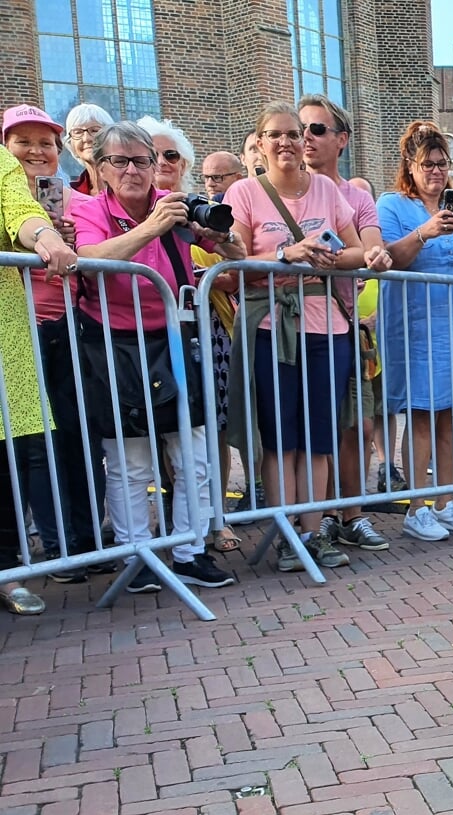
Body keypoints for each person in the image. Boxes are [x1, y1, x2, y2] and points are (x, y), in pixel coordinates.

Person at [71, 120, 245, 593]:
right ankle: (138, 556)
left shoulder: (173, 208)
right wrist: (153, 226)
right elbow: (91, 258)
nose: (133, 170)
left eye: (143, 160)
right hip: (115, 345)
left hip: (174, 341)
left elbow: (238, 250)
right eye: (120, 161)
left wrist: (212, 230)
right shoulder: (90, 208)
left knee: (194, 456)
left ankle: (189, 552)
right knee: (131, 463)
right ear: (101, 168)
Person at [224, 102, 384, 570]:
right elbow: (235, 263)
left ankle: (312, 534)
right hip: (272, 327)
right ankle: (287, 535)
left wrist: (337, 260)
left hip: (329, 326)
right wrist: (287, 254)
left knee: (319, 437)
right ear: (259, 142)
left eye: (294, 134)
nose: (287, 142)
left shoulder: (331, 192)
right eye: (275, 135)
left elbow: (357, 250)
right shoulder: (244, 192)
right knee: (280, 438)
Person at [4, 103, 107, 587]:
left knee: (77, 439)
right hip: (17, 336)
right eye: (23, 141)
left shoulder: (75, 200)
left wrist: (67, 238)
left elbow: (91, 249)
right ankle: (54, 545)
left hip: (70, 327)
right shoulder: (7, 190)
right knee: (31, 446)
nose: (36, 151)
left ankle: (84, 542)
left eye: (45, 142)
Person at [377, 119, 453, 542]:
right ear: (409, 166)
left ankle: (446, 500)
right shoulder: (392, 205)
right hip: (417, 325)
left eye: (442, 164)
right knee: (423, 414)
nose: (436, 172)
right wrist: (426, 232)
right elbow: (390, 256)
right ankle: (416, 505)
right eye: (427, 164)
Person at [298, 93, 395, 554]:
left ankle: (352, 514)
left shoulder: (356, 196)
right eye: (300, 129)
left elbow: (373, 248)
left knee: (358, 424)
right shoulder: (276, 191)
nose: (305, 138)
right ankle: (313, 519)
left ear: (342, 140)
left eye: (317, 129)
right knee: (304, 430)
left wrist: (369, 256)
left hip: (346, 325)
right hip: (292, 328)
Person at [0, 137, 79, 614]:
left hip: (3, 329)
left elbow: (17, 207)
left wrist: (47, 237)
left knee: (9, 450)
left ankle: (5, 571)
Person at [62, 103, 113, 197]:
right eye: (78, 132)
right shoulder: (70, 194)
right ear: (70, 141)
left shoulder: (126, 184)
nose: (86, 139)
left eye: (95, 131)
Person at [138, 117, 197, 195]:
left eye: (170, 155)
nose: (161, 162)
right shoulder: (128, 206)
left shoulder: (200, 206)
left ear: (182, 166)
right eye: (152, 156)